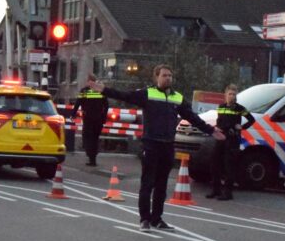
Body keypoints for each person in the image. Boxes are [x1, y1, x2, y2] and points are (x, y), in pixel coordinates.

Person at [88, 64, 224, 232]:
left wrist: (211, 130)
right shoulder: (147, 94)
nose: (168, 78)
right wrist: (104, 90)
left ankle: (157, 219)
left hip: (167, 146)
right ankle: (144, 219)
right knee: (148, 184)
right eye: (164, 75)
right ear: (156, 77)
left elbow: (192, 117)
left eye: (170, 76)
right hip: (151, 144)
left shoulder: (177, 98)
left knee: (161, 185)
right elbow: (125, 96)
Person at [206, 84, 255, 201]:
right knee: (215, 163)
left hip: (232, 140)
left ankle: (228, 192)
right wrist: (217, 128)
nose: (232, 96)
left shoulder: (240, 109)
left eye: (234, 94)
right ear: (225, 95)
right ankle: (215, 190)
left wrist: (241, 127)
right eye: (230, 94)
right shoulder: (221, 107)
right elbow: (219, 121)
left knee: (229, 166)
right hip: (221, 137)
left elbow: (251, 119)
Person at [71, 85, 109, 166]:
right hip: (98, 119)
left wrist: (73, 114)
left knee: (87, 138)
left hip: (88, 119)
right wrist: (104, 117)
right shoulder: (100, 91)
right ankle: (93, 159)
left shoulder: (85, 91)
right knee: (95, 139)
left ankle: (90, 155)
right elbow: (106, 105)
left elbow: (78, 102)